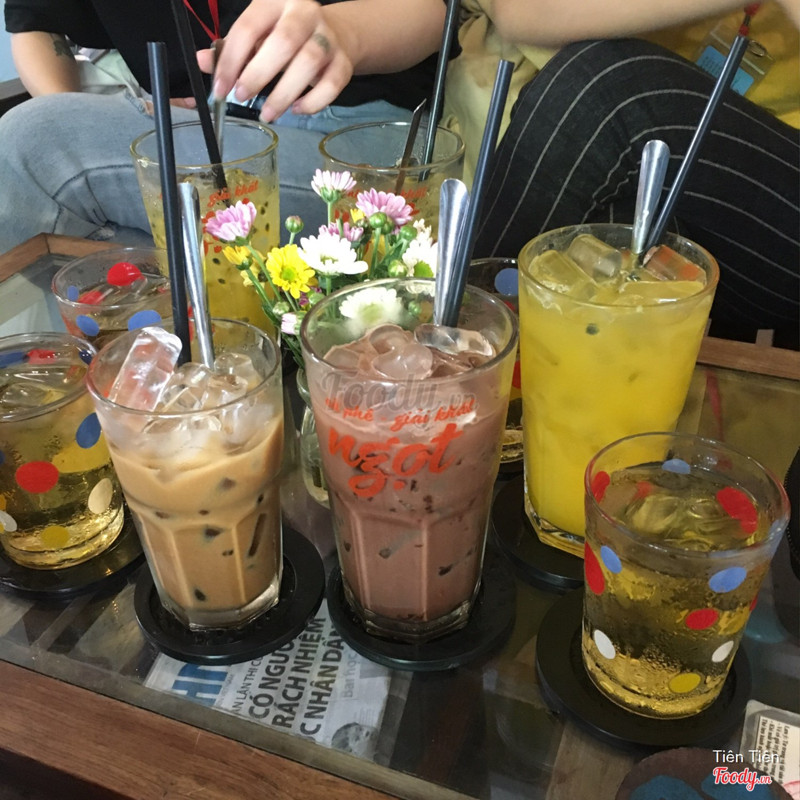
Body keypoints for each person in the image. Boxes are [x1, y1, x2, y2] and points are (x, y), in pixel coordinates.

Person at [444, 1, 799, 345]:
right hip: (671, 172)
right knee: (604, 235)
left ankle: (461, 348)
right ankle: (478, 355)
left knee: (603, 87)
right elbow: (523, 11)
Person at [0, 0, 447, 253]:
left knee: (34, 145)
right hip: (197, 127)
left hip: (353, 131)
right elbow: (37, 23)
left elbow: (434, 14)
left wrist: (341, 32)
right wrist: (69, 111)